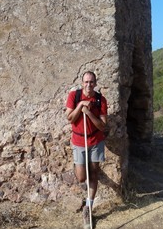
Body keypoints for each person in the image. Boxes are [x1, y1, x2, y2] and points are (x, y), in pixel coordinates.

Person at [66, 71, 107, 229]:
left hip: (96, 141)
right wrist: (80, 106)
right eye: (86, 82)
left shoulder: (100, 100)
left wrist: (88, 112)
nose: (89, 85)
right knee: (82, 177)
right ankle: (78, 167)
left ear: (95, 83)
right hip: (79, 141)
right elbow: (70, 118)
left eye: (91, 82)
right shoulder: (74, 96)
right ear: (82, 82)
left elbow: (103, 125)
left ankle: (88, 207)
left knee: (94, 173)